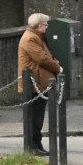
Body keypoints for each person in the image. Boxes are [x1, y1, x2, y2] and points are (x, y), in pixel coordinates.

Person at [19, 12, 62, 156]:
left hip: (39, 82)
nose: (47, 27)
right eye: (45, 24)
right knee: (34, 118)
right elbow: (42, 59)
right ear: (39, 26)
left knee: (38, 117)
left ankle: (37, 144)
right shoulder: (30, 38)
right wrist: (57, 67)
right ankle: (33, 146)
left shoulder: (36, 37)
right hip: (34, 84)